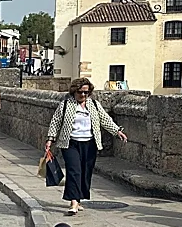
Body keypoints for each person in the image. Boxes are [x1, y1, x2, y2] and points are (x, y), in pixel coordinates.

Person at [46, 78, 127, 215]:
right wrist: (50, 139)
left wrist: (117, 131)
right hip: (70, 143)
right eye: (80, 92)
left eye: (86, 92)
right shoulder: (66, 104)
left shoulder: (94, 104)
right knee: (74, 171)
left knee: (85, 172)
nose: (83, 95)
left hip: (90, 144)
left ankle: (79, 198)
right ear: (74, 91)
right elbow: (55, 122)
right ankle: (73, 202)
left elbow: (105, 119)